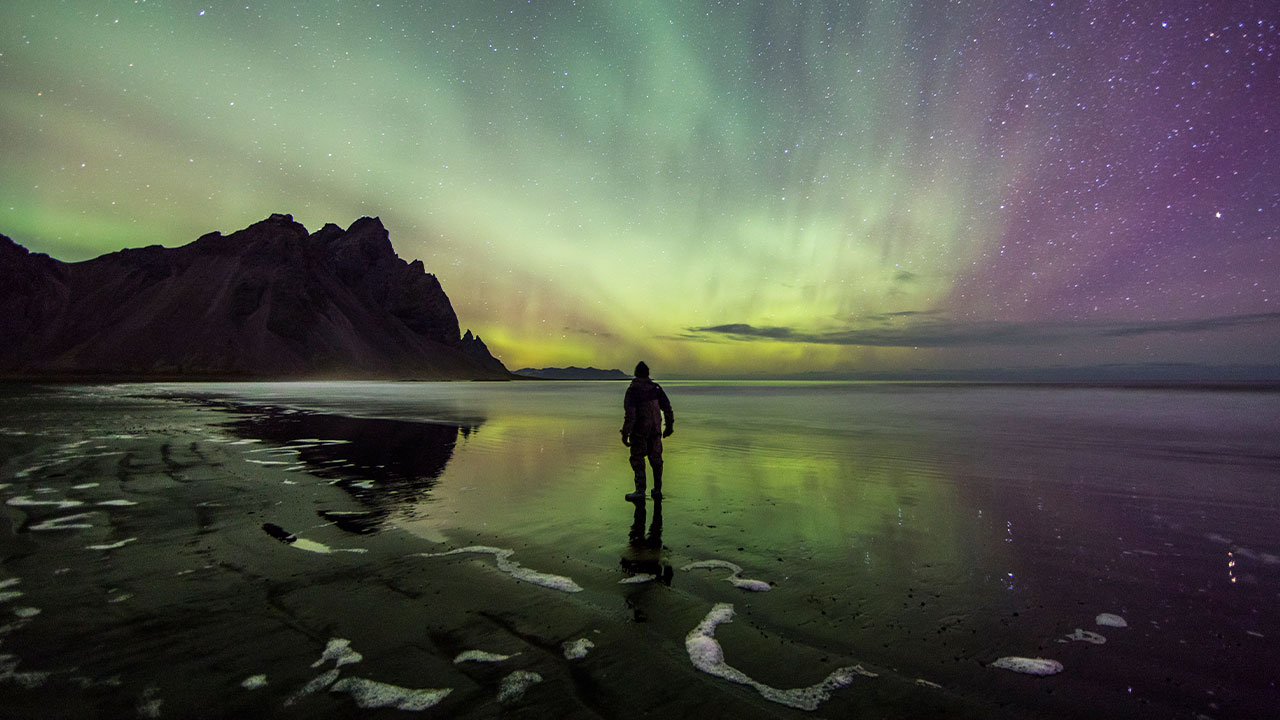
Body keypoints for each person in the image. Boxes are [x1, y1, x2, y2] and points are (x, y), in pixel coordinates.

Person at [620, 361, 674, 501]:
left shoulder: (633, 390)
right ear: (647, 373)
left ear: (636, 373)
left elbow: (630, 415)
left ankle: (640, 491)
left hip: (640, 432)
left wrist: (625, 433)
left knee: (638, 459)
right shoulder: (655, 388)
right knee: (656, 461)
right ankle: (657, 490)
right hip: (655, 429)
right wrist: (669, 426)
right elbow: (667, 409)